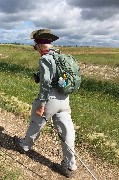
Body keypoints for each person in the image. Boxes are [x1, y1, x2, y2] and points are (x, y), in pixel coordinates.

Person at [14, 29, 77, 178]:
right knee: (67, 131)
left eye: (35, 45)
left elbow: (46, 84)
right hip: (65, 98)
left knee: (36, 122)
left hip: (50, 99)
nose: (35, 48)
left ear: (40, 45)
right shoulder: (60, 55)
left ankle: (25, 145)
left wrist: (41, 104)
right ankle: (70, 164)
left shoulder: (45, 59)